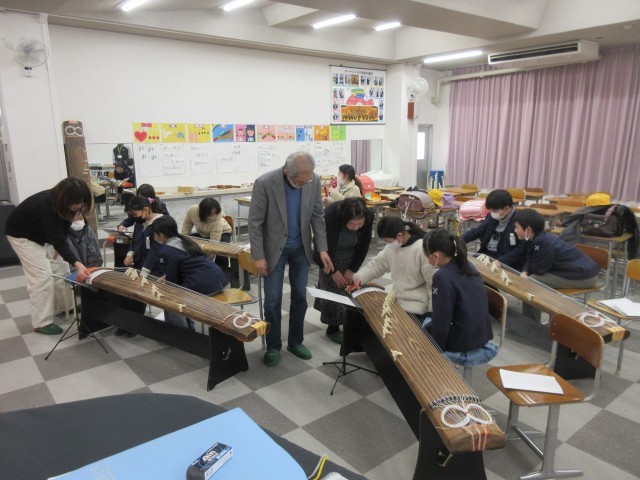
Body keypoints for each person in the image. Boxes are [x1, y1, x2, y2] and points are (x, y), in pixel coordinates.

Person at [249, 151, 334, 367]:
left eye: (308, 180)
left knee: (300, 298)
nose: (304, 184)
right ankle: (273, 346)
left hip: (301, 248)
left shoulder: (313, 180)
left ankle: (296, 342)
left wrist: (322, 249)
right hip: (273, 250)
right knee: (272, 301)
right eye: (300, 181)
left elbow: (317, 216)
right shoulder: (265, 183)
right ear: (287, 172)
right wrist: (258, 256)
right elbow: (255, 223)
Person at [4, 178, 93, 334]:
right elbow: (57, 237)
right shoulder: (45, 206)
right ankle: (41, 322)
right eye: (76, 203)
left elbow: (64, 225)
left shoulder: (67, 203)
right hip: (22, 235)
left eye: (81, 203)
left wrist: (60, 246)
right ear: (65, 198)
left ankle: (65, 306)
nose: (79, 206)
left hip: (42, 233)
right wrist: (77, 263)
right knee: (42, 276)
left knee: (62, 268)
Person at [422, 229, 497, 366]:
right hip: (481, 334)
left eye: (427, 255)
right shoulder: (467, 264)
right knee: (428, 323)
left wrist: (436, 349)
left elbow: (442, 317)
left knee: (421, 330)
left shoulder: (442, 276)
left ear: (436, 256)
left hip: (463, 340)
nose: (427, 260)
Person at [313, 198, 373, 344]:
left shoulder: (368, 216)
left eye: (360, 224)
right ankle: (332, 328)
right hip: (329, 259)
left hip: (350, 258)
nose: (356, 228)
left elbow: (364, 245)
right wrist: (333, 271)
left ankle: (348, 324)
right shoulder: (331, 215)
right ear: (344, 219)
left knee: (348, 291)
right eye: (352, 224)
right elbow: (320, 246)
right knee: (332, 292)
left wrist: (352, 269)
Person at [152, 216, 228, 331]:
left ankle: (182, 333)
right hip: (219, 278)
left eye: (155, 234)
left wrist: (165, 280)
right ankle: (185, 327)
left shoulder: (167, 250)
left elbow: (172, 281)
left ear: (161, 235)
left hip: (204, 285)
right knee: (173, 289)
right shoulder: (186, 240)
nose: (154, 237)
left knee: (169, 296)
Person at [351, 216, 435, 321]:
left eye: (388, 241)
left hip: (417, 307)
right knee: (361, 316)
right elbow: (378, 264)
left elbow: (433, 284)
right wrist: (360, 277)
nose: (387, 244)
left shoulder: (422, 249)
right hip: (397, 301)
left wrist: (431, 313)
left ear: (399, 235)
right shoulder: (392, 247)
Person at [514, 208, 598, 288]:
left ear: (528, 229)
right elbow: (530, 257)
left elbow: (539, 270)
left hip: (585, 276)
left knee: (531, 281)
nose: (515, 230)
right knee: (529, 278)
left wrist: (528, 271)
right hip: (579, 271)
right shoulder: (535, 238)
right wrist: (525, 271)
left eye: (517, 227)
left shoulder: (542, 242)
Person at [118, 195, 164, 336]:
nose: (134, 217)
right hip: (139, 263)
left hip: (155, 268)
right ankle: (124, 322)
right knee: (122, 288)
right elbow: (135, 242)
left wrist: (144, 272)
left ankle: (134, 324)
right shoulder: (139, 223)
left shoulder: (160, 224)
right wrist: (130, 253)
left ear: (146, 209)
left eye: (135, 214)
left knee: (137, 289)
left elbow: (156, 252)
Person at [461, 189, 525, 270]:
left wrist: (501, 261)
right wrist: (459, 240)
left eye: (494, 210)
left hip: (505, 259)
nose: (492, 213)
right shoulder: (492, 216)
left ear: (506, 208)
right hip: (486, 254)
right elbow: (477, 231)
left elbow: (521, 248)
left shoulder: (520, 221)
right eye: (490, 210)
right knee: (464, 268)